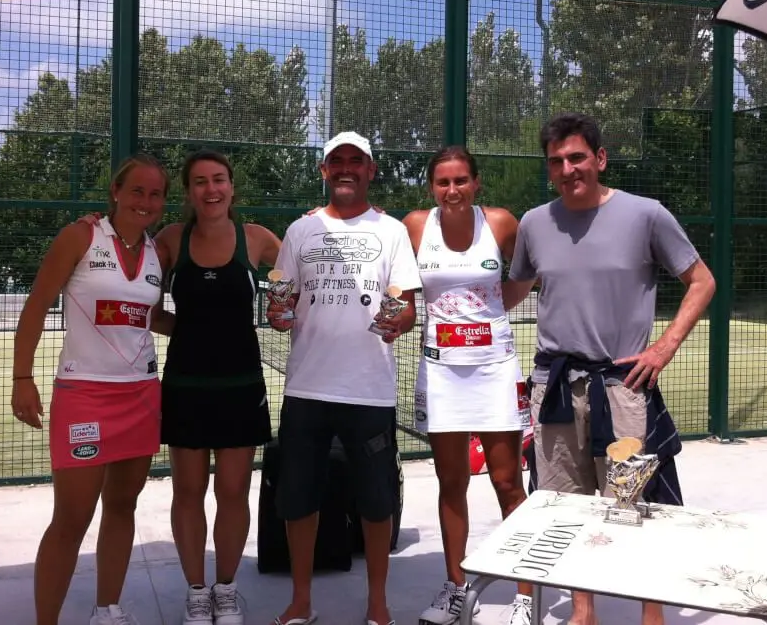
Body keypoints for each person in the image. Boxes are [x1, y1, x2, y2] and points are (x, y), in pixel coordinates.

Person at [505, 112, 716, 625]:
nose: (567, 168)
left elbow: (702, 281)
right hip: (553, 387)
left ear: (599, 159)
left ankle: (652, 616)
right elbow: (507, 294)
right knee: (565, 509)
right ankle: (583, 613)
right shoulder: (534, 223)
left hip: (623, 386)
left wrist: (662, 348)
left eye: (577, 157)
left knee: (636, 506)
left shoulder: (646, 215)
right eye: (556, 161)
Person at [265, 131, 422, 625]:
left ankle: (378, 604)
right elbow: (282, 298)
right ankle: (301, 601)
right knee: (297, 499)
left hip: (369, 390)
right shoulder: (300, 231)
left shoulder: (392, 231)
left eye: (358, 161)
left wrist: (401, 319)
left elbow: (408, 306)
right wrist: (277, 311)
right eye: (338, 161)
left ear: (372, 171)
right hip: (306, 387)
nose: (347, 168)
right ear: (324, 171)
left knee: (377, 502)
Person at [11, 153, 170, 625]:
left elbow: (149, 317)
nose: (145, 201)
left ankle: (108, 610)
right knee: (72, 518)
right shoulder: (80, 235)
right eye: (136, 190)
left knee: (122, 506)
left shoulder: (158, 253)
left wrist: (210, 330)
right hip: (84, 395)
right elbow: (37, 305)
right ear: (115, 193)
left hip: (142, 394)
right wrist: (23, 377)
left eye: (155, 193)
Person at [401, 146, 534, 625]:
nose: (452, 190)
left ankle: (525, 594)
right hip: (440, 371)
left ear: (476, 183)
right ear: (432, 187)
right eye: (443, 182)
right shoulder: (416, 225)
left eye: (461, 181)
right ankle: (456, 590)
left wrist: (495, 313)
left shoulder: (500, 222)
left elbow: (527, 271)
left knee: (506, 482)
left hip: (494, 367)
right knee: (451, 481)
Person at [155, 149, 283, 625]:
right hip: (186, 384)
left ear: (232, 186)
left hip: (241, 385)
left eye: (219, 180)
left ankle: (226, 591)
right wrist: (193, 331)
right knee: (187, 492)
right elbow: (145, 306)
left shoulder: (257, 240)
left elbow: (302, 272)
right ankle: (196, 593)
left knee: (234, 492)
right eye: (201, 182)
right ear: (189, 192)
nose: (211, 190)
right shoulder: (170, 240)